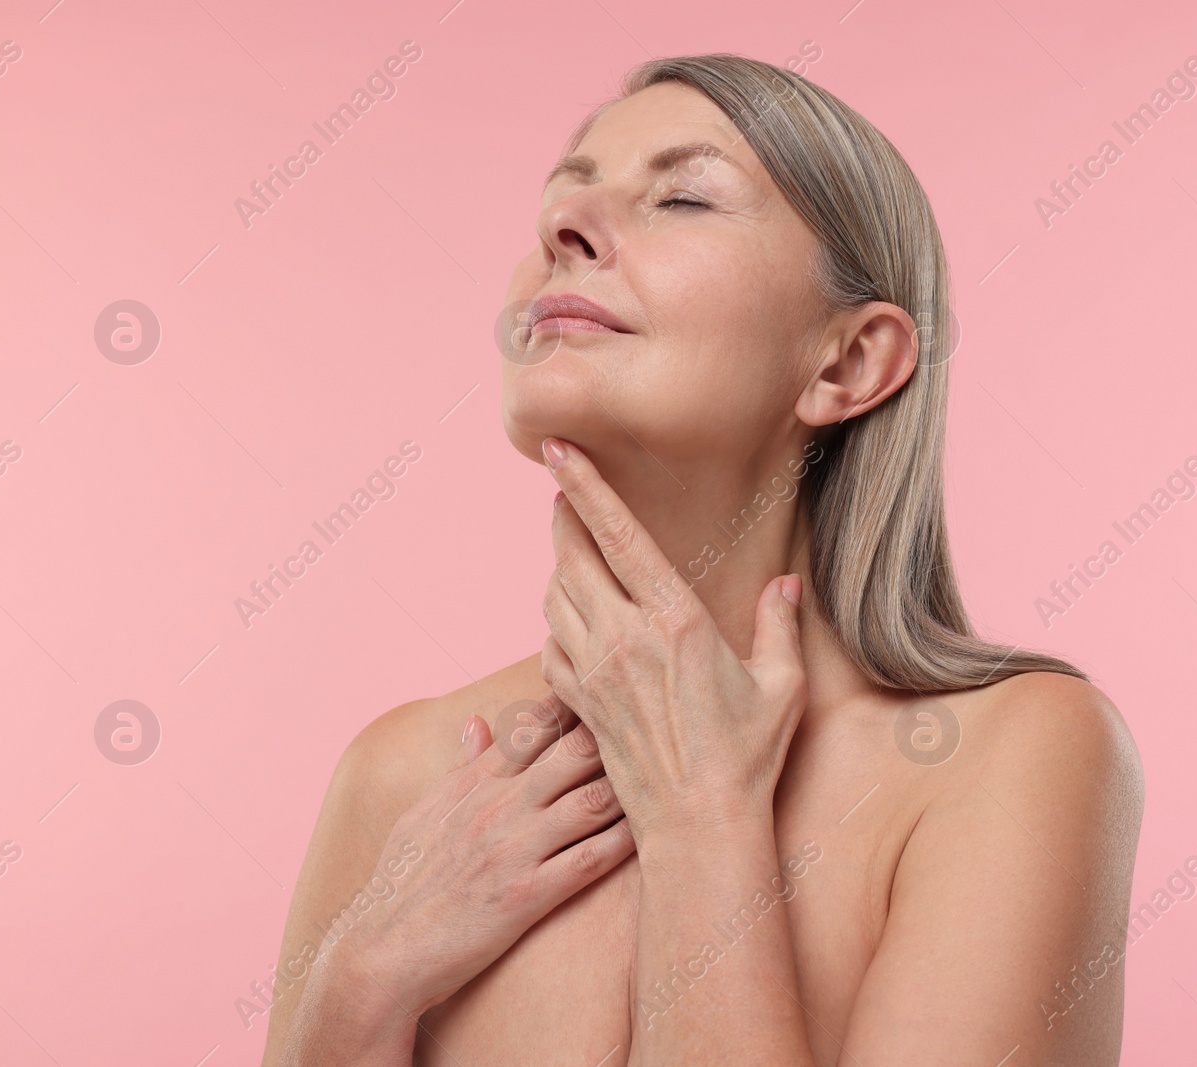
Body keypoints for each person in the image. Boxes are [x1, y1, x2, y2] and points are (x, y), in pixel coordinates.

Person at [263, 52, 1143, 1067]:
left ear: (849, 361)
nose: (562, 231)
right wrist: (359, 983)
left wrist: (700, 822)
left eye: (682, 196)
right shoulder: (404, 775)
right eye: (561, 202)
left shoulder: (1010, 752)